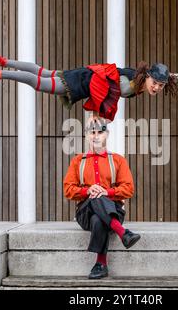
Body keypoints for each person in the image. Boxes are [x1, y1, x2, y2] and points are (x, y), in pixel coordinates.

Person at [0, 54, 178, 121]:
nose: (157, 88)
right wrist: (100, 114)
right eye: (155, 84)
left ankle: (3, 61)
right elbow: (107, 96)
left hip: (86, 73)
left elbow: (177, 76)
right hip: (84, 82)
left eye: (160, 85)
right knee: (41, 83)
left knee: (44, 71)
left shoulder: (145, 78)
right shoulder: (129, 84)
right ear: (147, 77)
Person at [63, 115, 139, 279]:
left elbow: (129, 189)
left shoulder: (118, 160)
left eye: (100, 132)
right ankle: (122, 232)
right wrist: (88, 191)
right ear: (86, 135)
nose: (96, 136)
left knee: (99, 218)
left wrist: (107, 192)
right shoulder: (78, 161)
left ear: (107, 134)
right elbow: (68, 189)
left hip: (115, 210)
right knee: (95, 196)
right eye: (92, 132)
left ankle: (101, 265)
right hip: (85, 213)